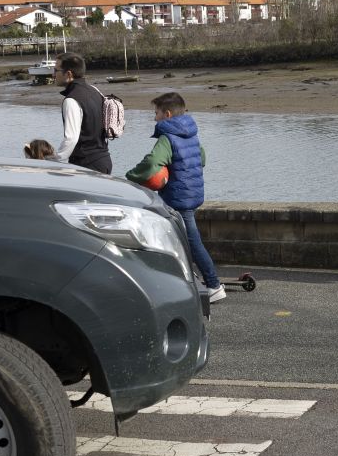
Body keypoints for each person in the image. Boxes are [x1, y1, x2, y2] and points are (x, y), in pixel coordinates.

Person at [125, 92, 225, 303]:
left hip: (179, 197)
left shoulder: (167, 137)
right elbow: (202, 159)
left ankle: (214, 285)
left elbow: (152, 164)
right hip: (193, 193)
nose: (155, 118)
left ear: (167, 114)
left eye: (156, 113)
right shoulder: (191, 133)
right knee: (179, 239)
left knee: (192, 242)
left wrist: (130, 176)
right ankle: (183, 281)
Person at [54, 52, 111, 174]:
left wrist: (54, 163)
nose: (53, 74)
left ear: (68, 74)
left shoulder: (71, 100)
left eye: (56, 70)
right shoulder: (95, 91)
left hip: (86, 166)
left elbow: (71, 138)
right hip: (104, 159)